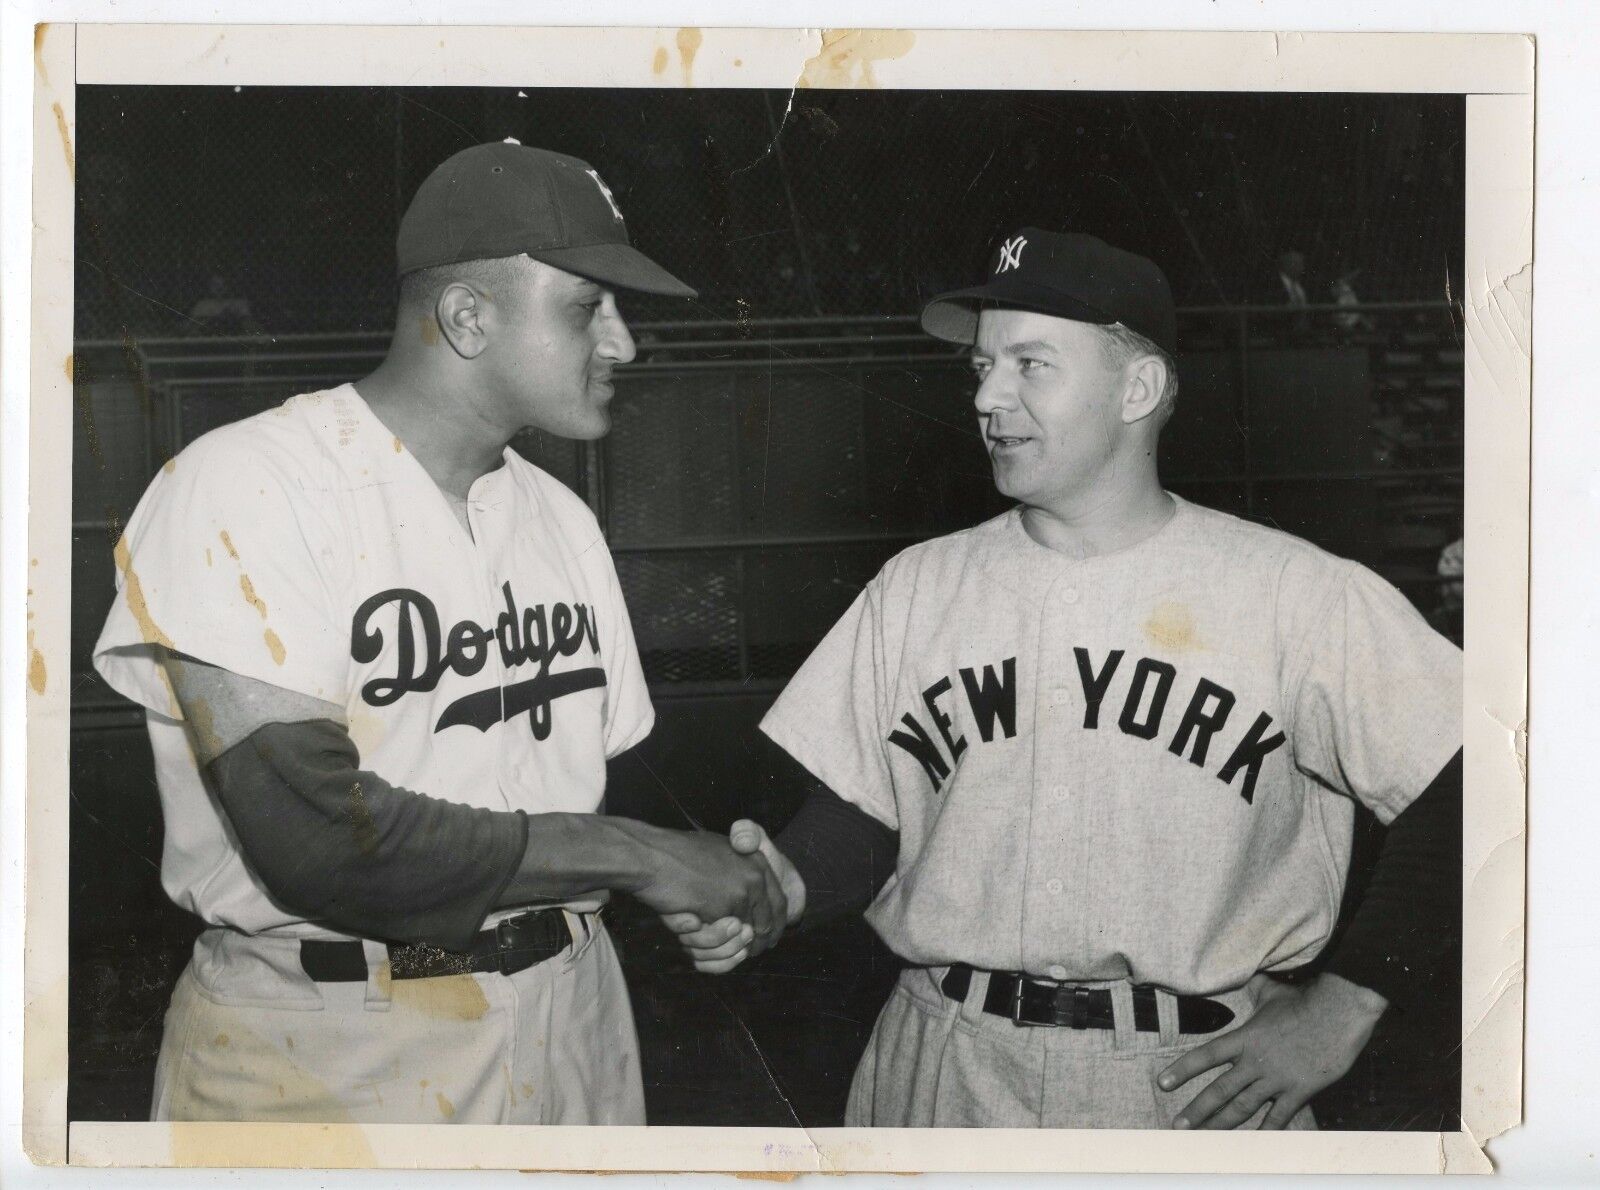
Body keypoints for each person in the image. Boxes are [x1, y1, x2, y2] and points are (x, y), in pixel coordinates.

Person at [674, 228, 1462, 1131]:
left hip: (1192, 1084)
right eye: (981, 366)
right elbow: (872, 811)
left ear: (1138, 388)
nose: (988, 395)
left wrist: (1349, 1002)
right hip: (945, 1062)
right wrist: (787, 884)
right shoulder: (919, 585)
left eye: (1030, 364)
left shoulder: (1296, 594)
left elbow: (1486, 777)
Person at [92, 140, 792, 1126]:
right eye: (589, 308)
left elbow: (538, 791)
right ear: (468, 316)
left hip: (573, 1015)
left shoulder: (560, 516)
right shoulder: (247, 485)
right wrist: (643, 855)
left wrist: (675, 884)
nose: (624, 344)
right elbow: (320, 839)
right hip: (334, 1038)